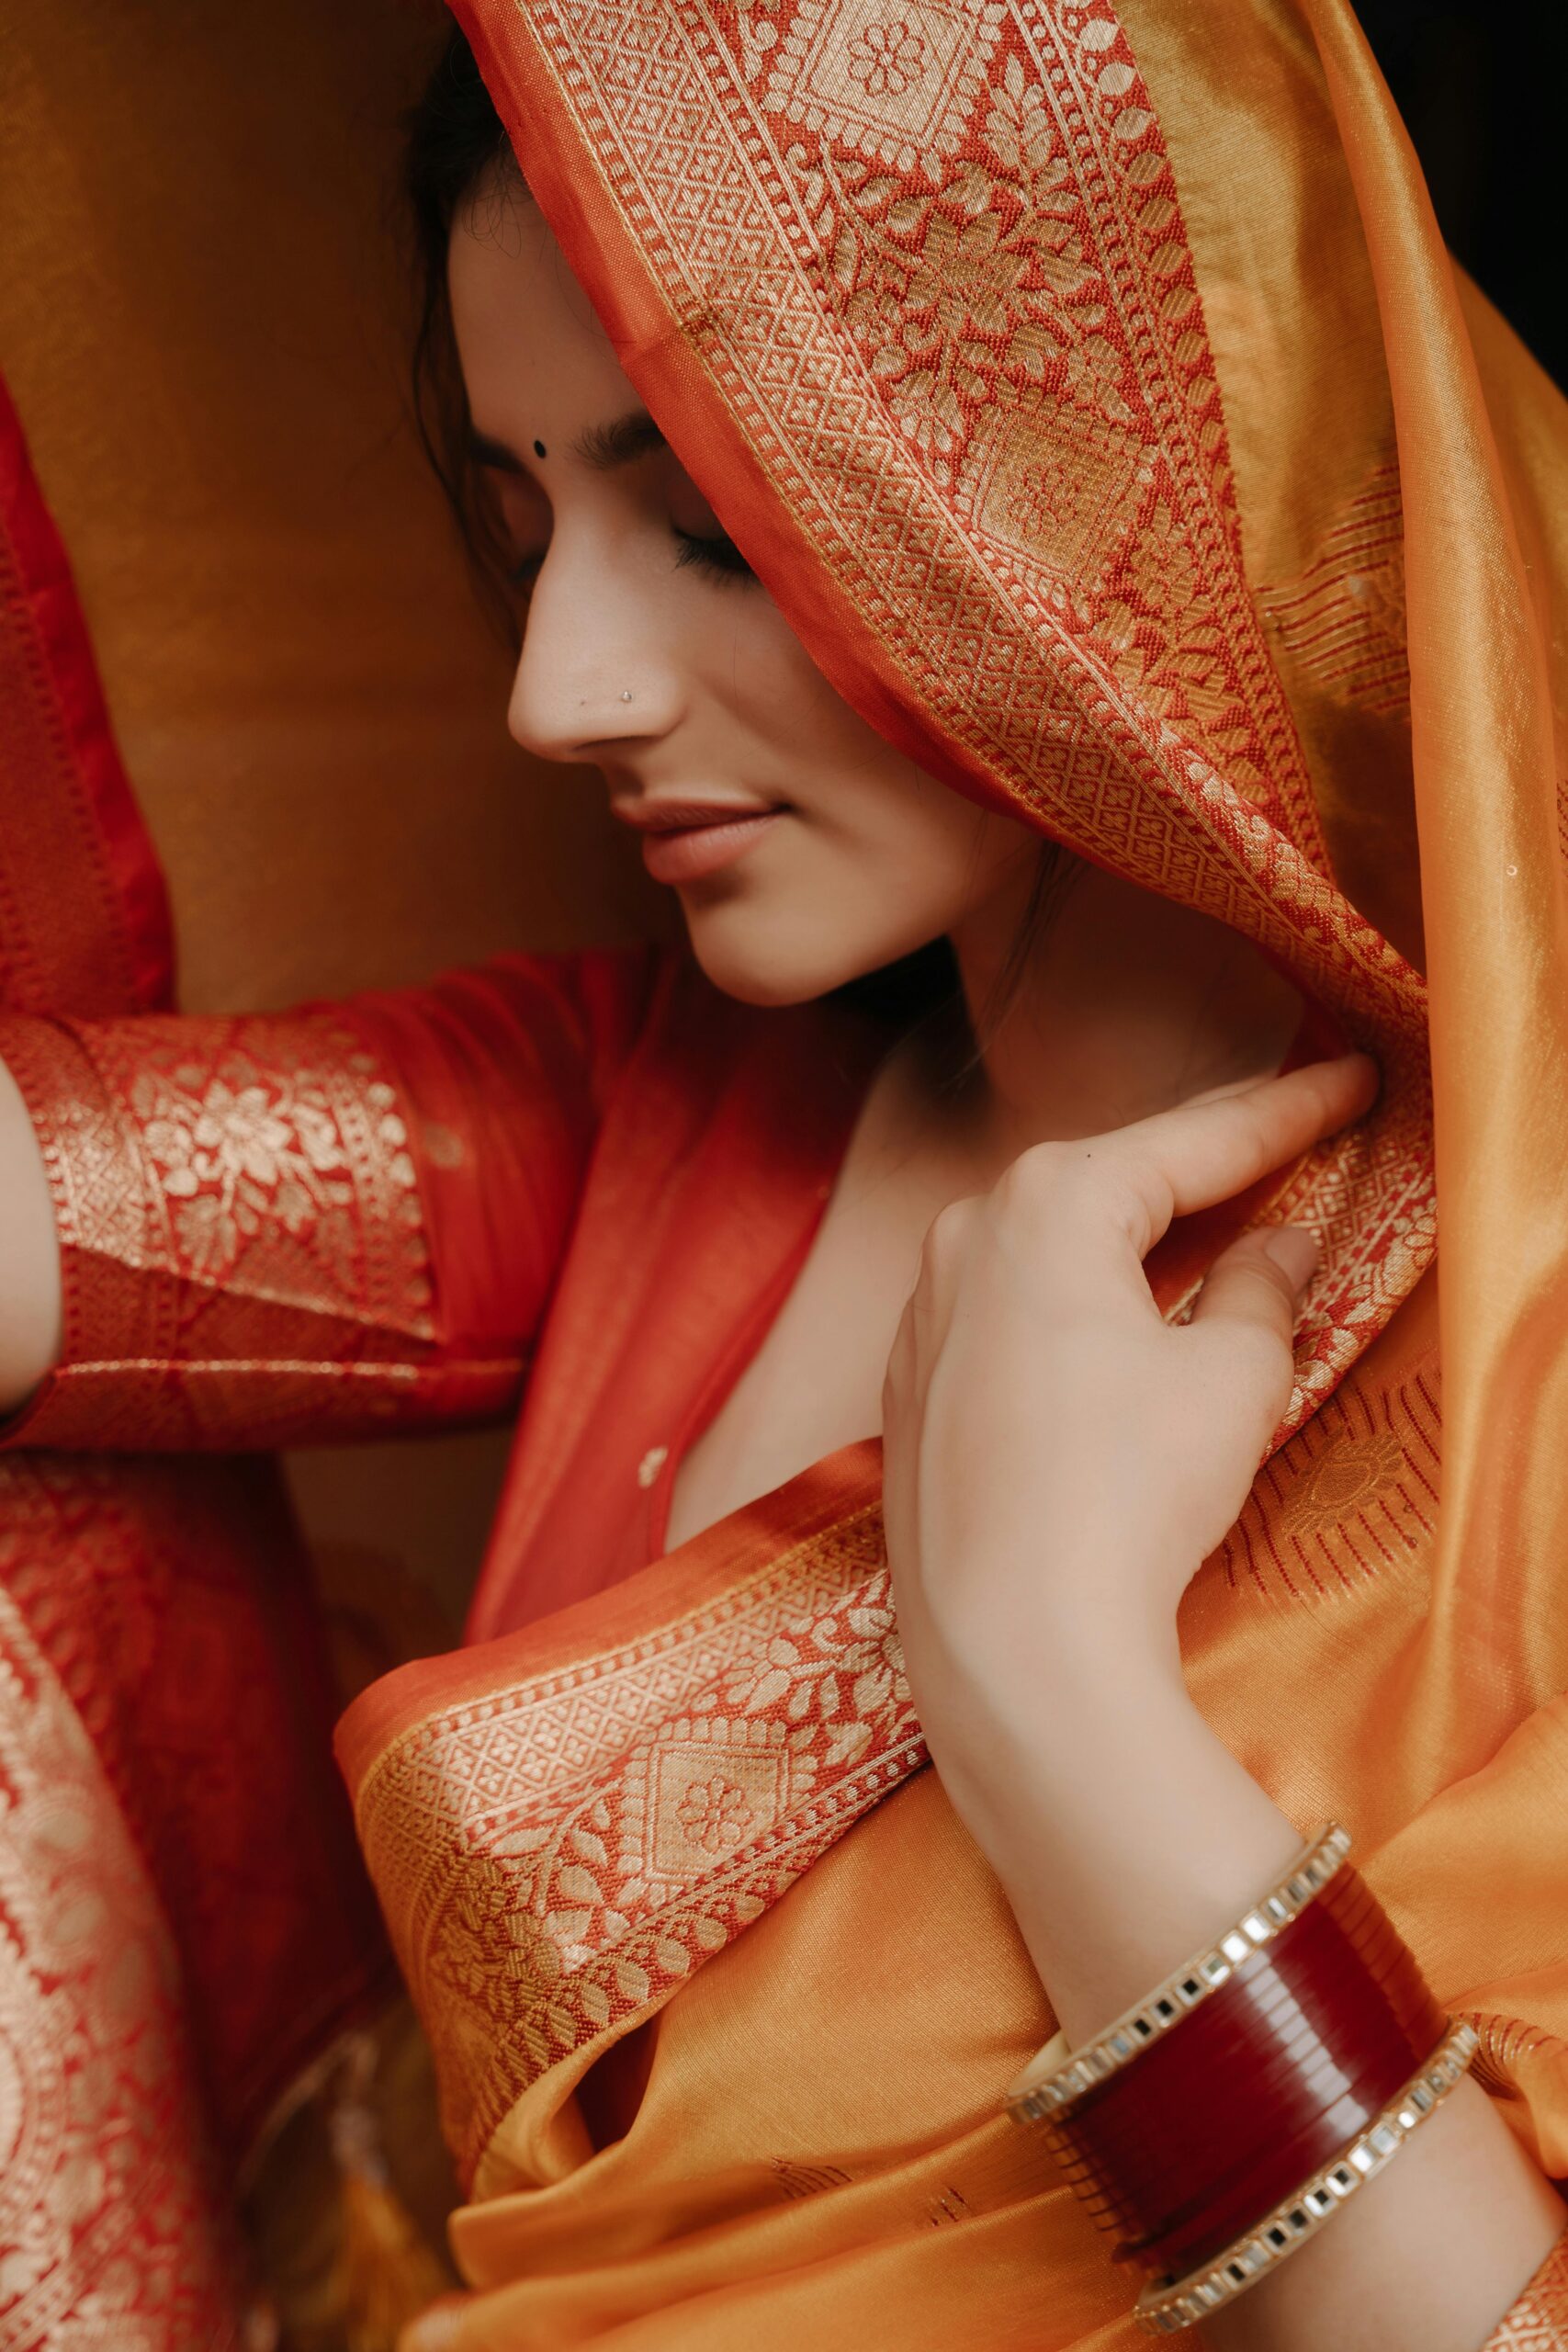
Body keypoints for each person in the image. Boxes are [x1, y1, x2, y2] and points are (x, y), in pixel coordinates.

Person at [2, 0, 1567, 2344]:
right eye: (529, 527)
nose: (561, 689)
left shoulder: (1515, 1308)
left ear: (1092, 477)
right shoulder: (665, 1108)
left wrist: (1046, 1683)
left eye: (712, 531)